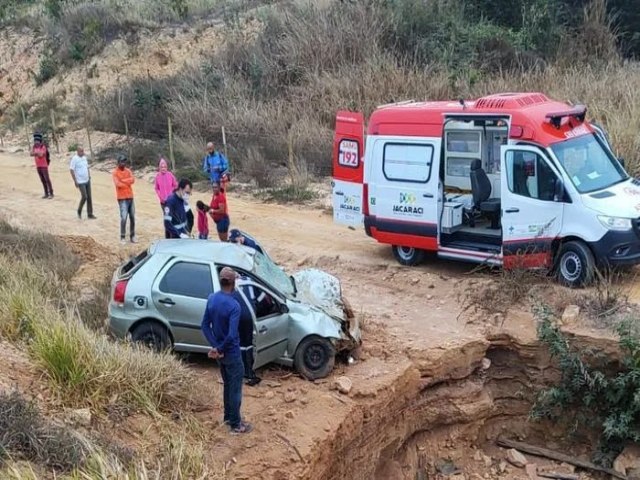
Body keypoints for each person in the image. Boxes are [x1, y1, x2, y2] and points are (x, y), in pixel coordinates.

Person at [201, 267, 253, 435]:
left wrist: (216, 347)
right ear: (232, 283)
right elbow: (231, 335)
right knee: (235, 387)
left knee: (227, 385)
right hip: (231, 353)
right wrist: (221, 348)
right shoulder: (234, 305)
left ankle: (228, 418)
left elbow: (204, 325)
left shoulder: (212, 299)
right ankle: (236, 425)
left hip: (221, 355)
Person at [235, 276, 262, 386]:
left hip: (237, 315)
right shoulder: (249, 280)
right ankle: (250, 372)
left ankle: (242, 372)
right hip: (249, 316)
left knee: (241, 344)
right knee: (249, 344)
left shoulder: (232, 282)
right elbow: (261, 297)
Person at [112, 155, 136, 244]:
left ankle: (132, 236)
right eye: (122, 162)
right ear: (118, 162)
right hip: (122, 198)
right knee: (124, 217)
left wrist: (123, 180)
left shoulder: (128, 171)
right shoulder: (115, 172)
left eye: (124, 162)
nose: (123, 163)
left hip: (130, 197)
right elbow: (118, 184)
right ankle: (122, 236)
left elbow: (133, 180)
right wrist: (127, 181)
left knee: (132, 217)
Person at [69, 145, 96, 220]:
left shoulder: (84, 158)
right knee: (84, 196)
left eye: (83, 151)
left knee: (89, 197)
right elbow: (71, 170)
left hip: (87, 180)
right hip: (80, 181)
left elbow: (87, 167)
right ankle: (79, 210)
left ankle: (90, 214)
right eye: (81, 151)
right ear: (77, 151)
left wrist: (89, 176)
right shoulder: (74, 159)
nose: (82, 152)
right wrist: (75, 181)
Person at [31, 133, 53, 199]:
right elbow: (31, 153)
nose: (36, 142)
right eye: (35, 141)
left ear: (39, 141)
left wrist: (35, 153)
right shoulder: (34, 146)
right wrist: (37, 153)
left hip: (44, 165)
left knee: (47, 179)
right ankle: (46, 193)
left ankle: (51, 193)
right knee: (42, 180)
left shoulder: (43, 147)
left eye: (37, 141)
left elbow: (41, 155)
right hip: (38, 165)